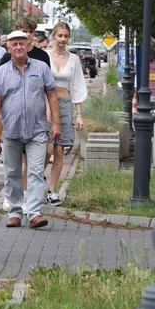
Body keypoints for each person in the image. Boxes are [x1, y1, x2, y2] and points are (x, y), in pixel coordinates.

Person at [0, 30, 61, 229]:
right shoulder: (1, 72)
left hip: (37, 129)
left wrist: (56, 123)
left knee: (36, 171)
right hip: (10, 131)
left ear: (29, 44)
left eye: (22, 43)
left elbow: (52, 95)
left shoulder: (41, 68)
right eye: (15, 44)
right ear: (9, 48)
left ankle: (34, 213)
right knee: (12, 172)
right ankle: (14, 212)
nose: (19, 47)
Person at [44, 23, 86, 203]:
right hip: (45, 104)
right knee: (46, 149)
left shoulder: (74, 59)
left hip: (65, 103)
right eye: (59, 35)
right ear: (53, 36)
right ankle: (33, 182)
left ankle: (52, 190)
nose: (62, 39)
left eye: (66, 36)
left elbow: (77, 84)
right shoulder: (44, 56)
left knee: (59, 149)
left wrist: (79, 113)